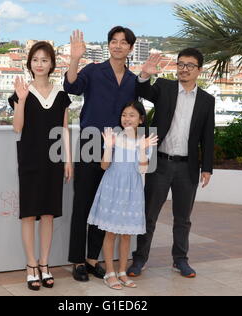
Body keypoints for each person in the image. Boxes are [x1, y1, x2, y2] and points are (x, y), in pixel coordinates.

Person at [127, 48, 215, 278]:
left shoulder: (207, 100)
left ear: (199, 70)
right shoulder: (164, 88)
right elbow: (142, 90)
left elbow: (208, 135)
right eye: (181, 64)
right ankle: (139, 259)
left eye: (190, 66)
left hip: (188, 167)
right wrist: (145, 75)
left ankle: (180, 260)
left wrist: (206, 167)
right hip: (161, 163)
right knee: (149, 215)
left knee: (183, 218)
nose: (184, 69)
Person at [64, 26, 138, 282]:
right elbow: (71, 86)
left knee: (104, 205)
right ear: (109, 45)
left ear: (130, 47)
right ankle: (77, 260)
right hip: (90, 142)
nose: (118, 46)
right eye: (114, 41)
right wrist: (75, 58)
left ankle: (92, 259)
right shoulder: (94, 71)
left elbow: (136, 115)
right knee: (83, 202)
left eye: (123, 42)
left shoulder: (132, 80)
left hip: (118, 148)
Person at [9, 41, 73, 291]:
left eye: (44, 60)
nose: (39, 64)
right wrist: (22, 100)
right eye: (35, 59)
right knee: (28, 214)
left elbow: (64, 130)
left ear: (52, 64)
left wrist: (68, 160)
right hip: (29, 158)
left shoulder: (61, 94)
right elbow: (17, 127)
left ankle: (45, 264)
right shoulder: (22, 92)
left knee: (48, 213)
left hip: (54, 160)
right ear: (29, 64)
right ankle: (31, 265)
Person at [88, 101, 157, 290]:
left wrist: (142, 149)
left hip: (132, 190)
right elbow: (104, 166)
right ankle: (110, 272)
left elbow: (143, 168)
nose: (127, 118)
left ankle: (122, 272)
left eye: (132, 115)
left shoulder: (145, 140)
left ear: (141, 120)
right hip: (112, 187)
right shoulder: (115, 137)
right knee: (110, 232)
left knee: (126, 234)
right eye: (124, 114)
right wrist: (109, 146)